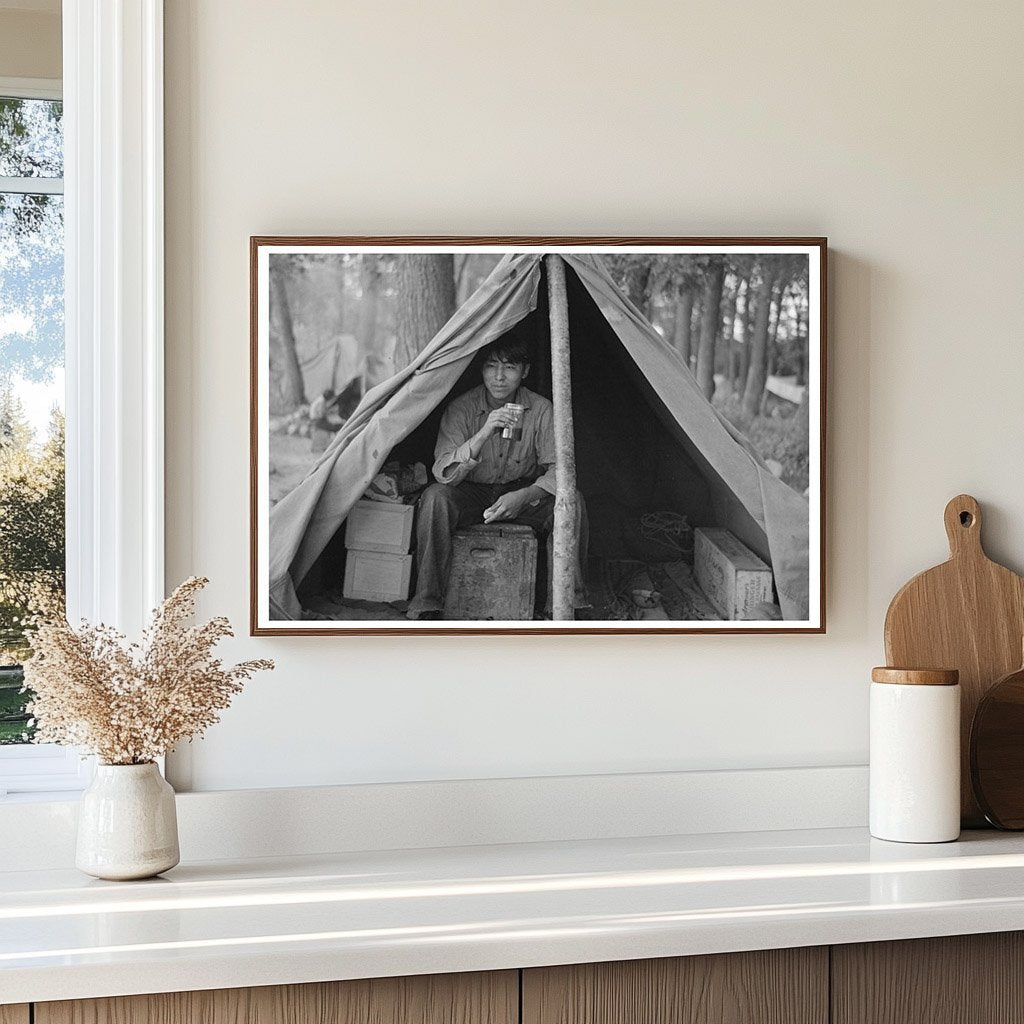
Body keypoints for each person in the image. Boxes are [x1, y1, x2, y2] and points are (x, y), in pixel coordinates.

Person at [407, 338, 588, 620]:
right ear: (481, 370)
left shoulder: (540, 409)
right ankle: (428, 602)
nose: (499, 376)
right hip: (472, 494)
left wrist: (525, 496)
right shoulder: (462, 408)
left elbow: (560, 470)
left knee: (571, 500)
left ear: (524, 372)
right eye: (491, 366)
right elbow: (444, 473)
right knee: (434, 498)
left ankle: (566, 604)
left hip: (521, 493)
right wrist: (485, 430)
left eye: (510, 367)